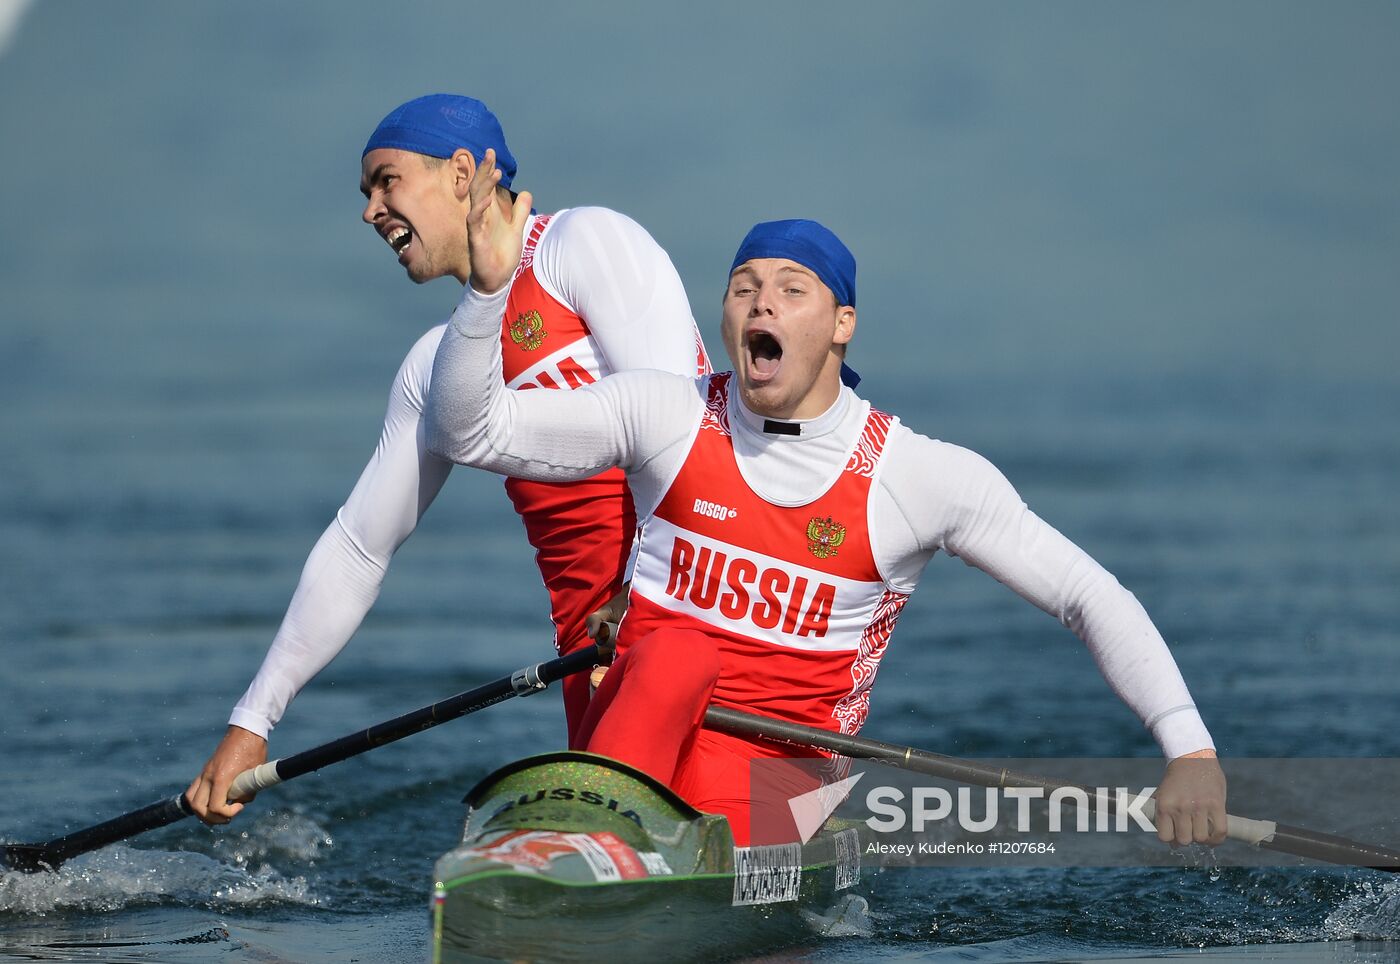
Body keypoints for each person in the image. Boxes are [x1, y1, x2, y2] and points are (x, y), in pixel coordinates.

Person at [424, 151, 1227, 848]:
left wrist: (1188, 750)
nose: (761, 303)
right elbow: (473, 434)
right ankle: (584, 854)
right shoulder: (664, 413)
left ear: (842, 324)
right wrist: (487, 296)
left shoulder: (915, 478)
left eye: (790, 289)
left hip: (783, 784)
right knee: (674, 653)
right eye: (744, 288)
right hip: (637, 742)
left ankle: (598, 857)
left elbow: (1089, 595)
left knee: (681, 663)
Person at [185, 95, 710, 825]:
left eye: (386, 181)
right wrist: (253, 724)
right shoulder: (437, 367)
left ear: (461, 174)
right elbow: (358, 549)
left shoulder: (583, 247)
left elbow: (686, 432)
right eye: (366, 192)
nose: (370, 210)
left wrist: (637, 593)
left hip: (695, 620)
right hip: (590, 658)